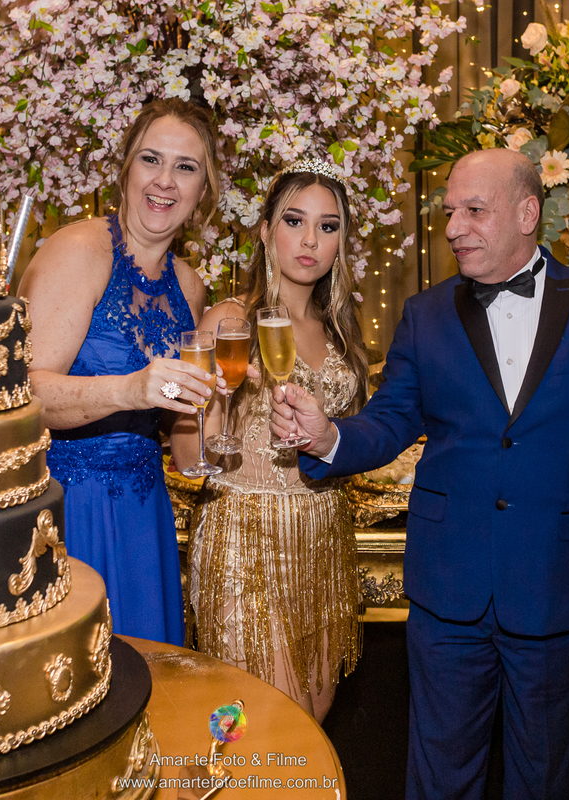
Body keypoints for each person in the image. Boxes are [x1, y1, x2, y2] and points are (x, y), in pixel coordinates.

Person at [270, 148, 569, 798]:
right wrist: (330, 435)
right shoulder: (424, 316)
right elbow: (390, 421)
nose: (454, 228)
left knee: (541, 780)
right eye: (450, 212)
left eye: (473, 211)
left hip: (553, 589)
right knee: (438, 781)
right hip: (446, 591)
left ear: (527, 212)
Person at [17, 98, 221, 645]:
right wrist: (129, 389)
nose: (165, 181)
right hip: (66, 509)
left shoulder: (189, 285)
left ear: (204, 191)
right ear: (126, 170)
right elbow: (21, 394)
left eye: (186, 167)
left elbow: (183, 441)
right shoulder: (80, 251)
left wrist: (214, 399)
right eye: (151, 160)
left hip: (145, 509)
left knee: (153, 683)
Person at [171, 159, 368, 722]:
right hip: (244, 540)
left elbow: (347, 444)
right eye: (294, 221)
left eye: (328, 227)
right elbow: (188, 458)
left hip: (324, 535)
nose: (310, 240)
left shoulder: (341, 331)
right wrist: (222, 399)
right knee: (274, 724)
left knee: (311, 726)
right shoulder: (230, 321)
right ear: (264, 231)